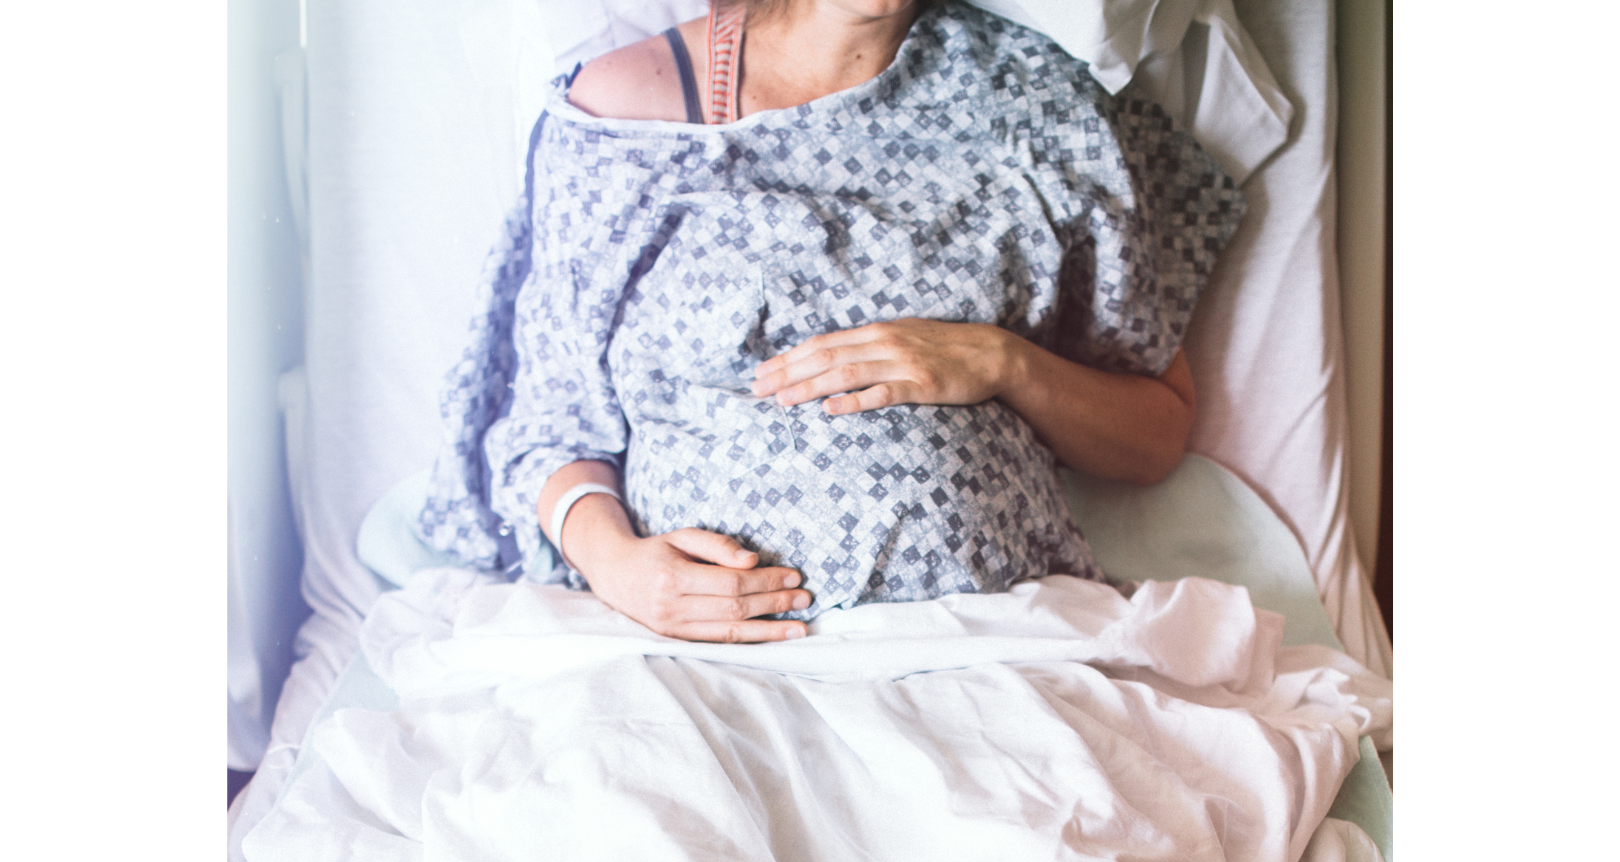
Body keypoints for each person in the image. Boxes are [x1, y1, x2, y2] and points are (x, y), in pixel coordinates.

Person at [420, 0, 1243, 644]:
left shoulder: (1041, 108)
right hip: (701, 658)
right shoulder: (620, 114)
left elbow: (1154, 435)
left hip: (998, 649)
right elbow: (549, 429)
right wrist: (620, 568)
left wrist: (1002, 363)